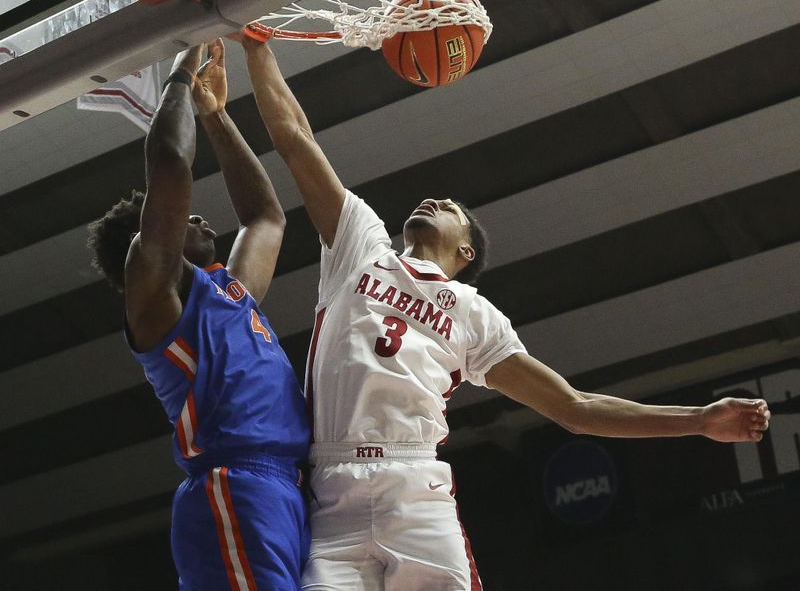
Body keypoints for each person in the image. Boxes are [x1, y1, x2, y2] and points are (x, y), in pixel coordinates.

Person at [238, 37, 772, 591]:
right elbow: (296, 138)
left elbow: (575, 406)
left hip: (415, 486)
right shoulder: (361, 248)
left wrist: (700, 420)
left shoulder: (474, 313)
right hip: (331, 490)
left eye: (452, 210)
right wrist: (256, 49)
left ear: (466, 253)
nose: (434, 201)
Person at [87, 40, 310, 590]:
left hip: (284, 488)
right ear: (150, 238)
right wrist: (179, 81)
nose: (198, 214)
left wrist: (215, 115)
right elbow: (170, 164)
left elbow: (266, 218)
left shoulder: (228, 293)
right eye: (181, 216)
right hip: (234, 485)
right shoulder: (158, 303)